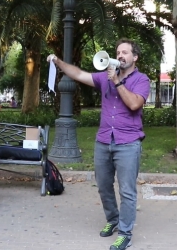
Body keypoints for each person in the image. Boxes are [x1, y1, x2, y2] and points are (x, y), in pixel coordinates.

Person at [47, 38, 150, 250]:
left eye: (125, 52)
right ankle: (113, 219)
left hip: (128, 142)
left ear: (135, 57)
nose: (120, 55)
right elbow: (77, 74)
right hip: (104, 140)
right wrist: (58, 61)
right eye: (118, 52)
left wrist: (117, 82)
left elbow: (134, 104)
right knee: (103, 186)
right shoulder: (105, 76)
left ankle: (125, 233)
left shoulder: (142, 80)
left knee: (127, 191)